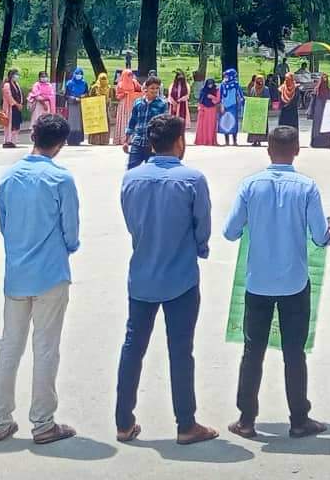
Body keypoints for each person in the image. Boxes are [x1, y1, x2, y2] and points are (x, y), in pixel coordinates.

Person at [222, 124, 330, 439]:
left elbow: (230, 231)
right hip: (294, 282)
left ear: (268, 150)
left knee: (252, 350)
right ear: (297, 150)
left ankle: (246, 418)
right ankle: (299, 418)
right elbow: (319, 235)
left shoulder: (250, 186)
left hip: (257, 282)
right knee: (294, 351)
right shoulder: (307, 187)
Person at [118, 114, 216, 444]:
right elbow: (202, 224)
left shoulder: (130, 178)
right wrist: (199, 248)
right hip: (182, 277)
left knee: (133, 346)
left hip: (142, 274)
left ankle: (123, 420)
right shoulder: (192, 179)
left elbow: (132, 224)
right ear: (179, 142)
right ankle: (186, 423)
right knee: (180, 351)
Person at [0, 114, 81, 444]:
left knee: (9, 347)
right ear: (61, 144)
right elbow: (71, 231)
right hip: (51, 272)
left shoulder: (10, 176)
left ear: (33, 136)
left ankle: (0, 419)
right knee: (46, 349)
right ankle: (42, 422)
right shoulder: (61, 178)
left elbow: (4, 223)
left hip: (17, 273)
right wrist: (68, 246)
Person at [124, 75, 170, 169]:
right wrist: (126, 141)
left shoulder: (162, 104)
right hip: (138, 142)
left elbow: (164, 124)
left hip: (153, 144)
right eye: (152, 88)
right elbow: (132, 121)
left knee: (153, 171)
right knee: (131, 169)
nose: (155, 90)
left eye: (157, 88)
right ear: (146, 88)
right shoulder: (138, 103)